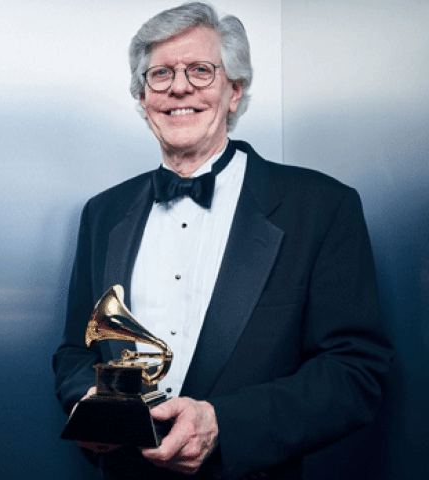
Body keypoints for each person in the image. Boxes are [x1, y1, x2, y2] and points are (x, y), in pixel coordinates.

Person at [53, 3, 393, 479]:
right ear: (143, 98)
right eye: (161, 74)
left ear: (235, 91)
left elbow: (355, 373)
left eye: (200, 70)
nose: (179, 87)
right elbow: (75, 351)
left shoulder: (322, 206)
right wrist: (89, 400)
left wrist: (224, 424)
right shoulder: (102, 212)